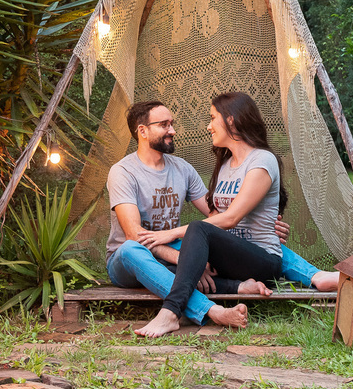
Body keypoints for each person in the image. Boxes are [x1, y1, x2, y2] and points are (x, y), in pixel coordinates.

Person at [104, 98, 336, 337]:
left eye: (172, 123)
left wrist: (260, 225)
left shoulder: (182, 169)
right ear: (142, 131)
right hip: (129, 259)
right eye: (164, 124)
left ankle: (310, 276)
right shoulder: (123, 172)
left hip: (168, 247)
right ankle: (212, 311)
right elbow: (134, 235)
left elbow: (217, 216)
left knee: (224, 238)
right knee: (133, 249)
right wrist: (185, 257)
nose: (172, 130)